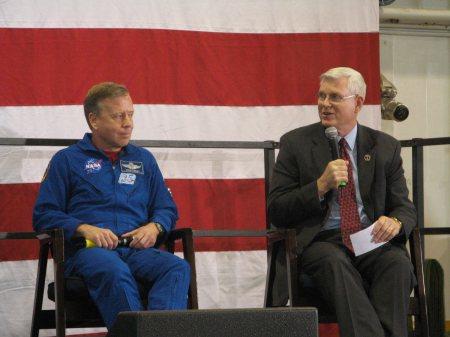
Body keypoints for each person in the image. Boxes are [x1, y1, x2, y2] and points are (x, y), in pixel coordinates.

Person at [267, 67, 416, 337]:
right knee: (333, 262)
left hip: (368, 239)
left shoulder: (384, 146)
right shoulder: (296, 143)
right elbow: (276, 209)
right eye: (321, 96)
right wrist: (320, 186)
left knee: (397, 263)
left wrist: (395, 222)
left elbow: (404, 207)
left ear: (357, 103)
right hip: (320, 242)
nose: (324, 104)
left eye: (334, 97)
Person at [33, 82, 190, 330]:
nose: (128, 123)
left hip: (136, 251)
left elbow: (166, 208)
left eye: (130, 114)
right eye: (119, 116)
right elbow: (44, 215)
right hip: (88, 253)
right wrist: (83, 228)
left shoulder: (144, 160)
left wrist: (155, 226)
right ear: (94, 121)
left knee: (176, 267)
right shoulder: (67, 160)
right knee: (113, 270)